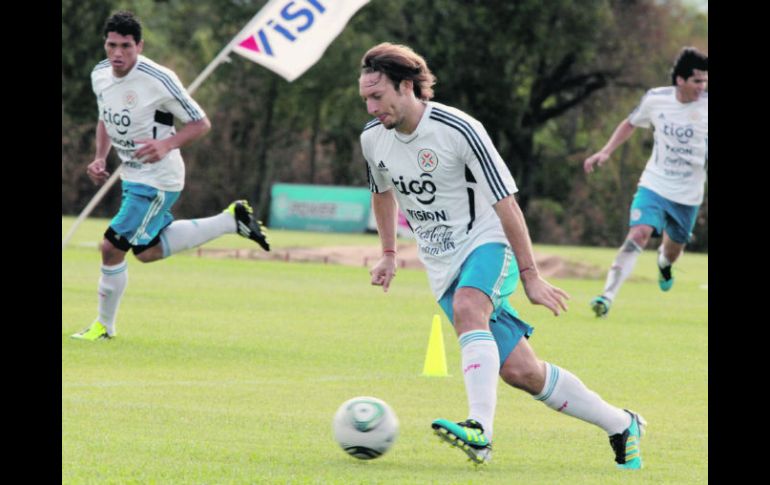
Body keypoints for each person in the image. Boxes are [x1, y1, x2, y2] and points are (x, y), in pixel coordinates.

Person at [359, 42, 645, 468]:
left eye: (377, 96)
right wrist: (388, 252)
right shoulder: (372, 140)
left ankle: (480, 431)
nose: (370, 107)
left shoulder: (459, 129)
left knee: (469, 305)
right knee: (521, 372)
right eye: (365, 98)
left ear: (406, 87)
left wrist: (530, 274)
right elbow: (381, 193)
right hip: (441, 263)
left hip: (488, 241)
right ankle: (622, 424)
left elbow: (507, 204)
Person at [71, 11, 270, 341]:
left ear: (140, 46)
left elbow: (200, 123)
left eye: (125, 46)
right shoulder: (100, 74)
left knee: (110, 247)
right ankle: (229, 221)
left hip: (158, 178)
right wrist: (98, 157)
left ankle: (104, 328)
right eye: (111, 45)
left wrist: (166, 145)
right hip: (133, 176)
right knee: (147, 251)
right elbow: (105, 118)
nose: (117, 53)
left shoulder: (158, 78)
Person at [584, 47, 708, 318]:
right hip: (655, 184)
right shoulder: (656, 99)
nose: (703, 86)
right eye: (697, 81)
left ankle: (664, 264)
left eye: (705, 81)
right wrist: (606, 151)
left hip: (688, 195)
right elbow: (629, 123)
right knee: (638, 233)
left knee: (672, 252)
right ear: (680, 80)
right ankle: (606, 297)